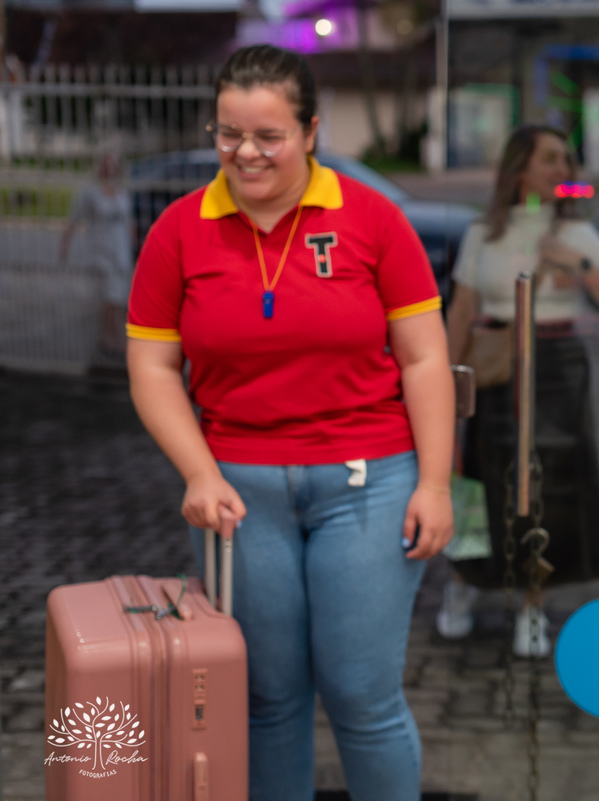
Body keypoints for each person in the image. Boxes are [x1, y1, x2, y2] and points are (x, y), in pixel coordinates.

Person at [125, 45, 453, 801]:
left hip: (369, 481)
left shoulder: (373, 219)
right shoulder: (178, 230)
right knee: (267, 698)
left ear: (310, 130)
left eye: (267, 135)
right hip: (238, 494)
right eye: (228, 133)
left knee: (361, 695)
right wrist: (198, 472)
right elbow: (151, 368)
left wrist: (436, 482)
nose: (245, 152)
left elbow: (425, 360)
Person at [443, 125, 599, 657]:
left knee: (548, 484)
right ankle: (464, 586)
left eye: (566, 160)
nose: (561, 170)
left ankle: (532, 604)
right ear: (519, 167)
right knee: (479, 479)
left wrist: (578, 265)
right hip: (498, 361)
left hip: (556, 365)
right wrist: (445, 374)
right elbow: (462, 308)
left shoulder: (576, 235)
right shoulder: (484, 233)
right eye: (549, 159)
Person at [60, 150, 135, 364]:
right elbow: (73, 222)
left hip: (121, 251)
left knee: (118, 298)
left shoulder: (121, 191)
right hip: (100, 251)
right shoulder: (89, 192)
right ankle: (116, 341)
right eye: (105, 163)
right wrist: (64, 248)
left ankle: (105, 339)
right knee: (111, 296)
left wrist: (136, 244)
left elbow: (128, 221)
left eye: (112, 163)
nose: (109, 167)